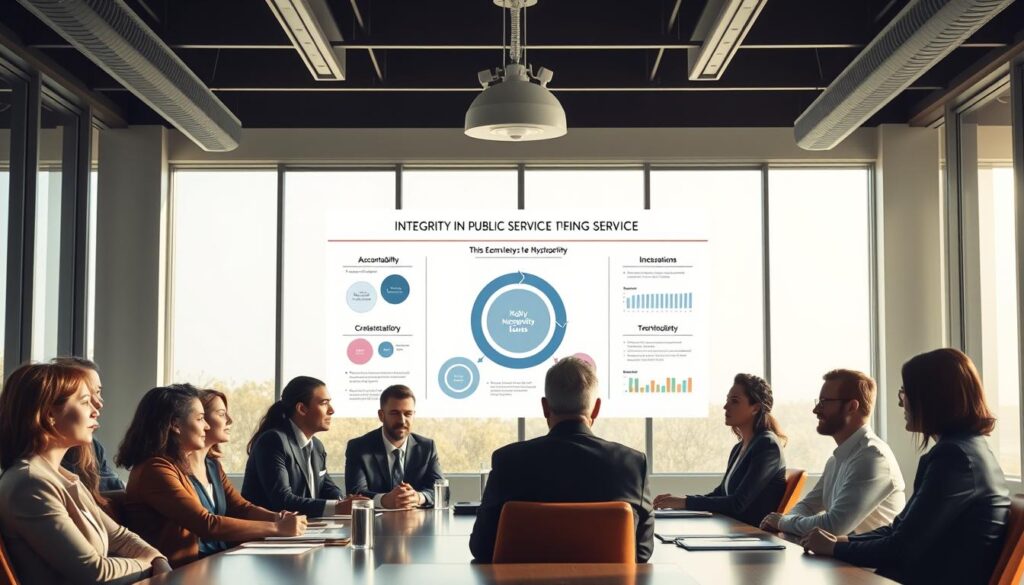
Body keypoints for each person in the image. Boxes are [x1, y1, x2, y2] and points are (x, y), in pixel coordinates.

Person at [801, 348, 1010, 585]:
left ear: (931, 397)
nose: (902, 402)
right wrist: (840, 541)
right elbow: (899, 530)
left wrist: (835, 549)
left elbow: (901, 548)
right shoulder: (968, 450)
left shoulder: (954, 458)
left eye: (905, 392)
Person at [469, 357, 654, 563]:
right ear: (596, 408)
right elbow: (641, 552)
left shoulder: (508, 461)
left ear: (545, 407)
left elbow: (482, 547)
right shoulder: (633, 464)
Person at [0, 363, 169, 584]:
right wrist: (149, 564)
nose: (95, 410)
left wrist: (158, 560)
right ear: (49, 414)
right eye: (84, 402)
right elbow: (95, 573)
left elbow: (119, 536)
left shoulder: (61, 478)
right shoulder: (30, 484)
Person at [116, 384, 306, 566]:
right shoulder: (155, 470)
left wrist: (279, 519)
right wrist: (278, 528)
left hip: (210, 562)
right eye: (200, 419)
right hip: (180, 572)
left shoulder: (200, 465)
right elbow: (206, 524)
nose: (206, 427)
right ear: (175, 424)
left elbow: (239, 508)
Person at [760, 369, 905, 536]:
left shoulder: (873, 457)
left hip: (866, 562)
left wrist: (783, 522)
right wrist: (785, 523)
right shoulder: (836, 459)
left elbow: (834, 526)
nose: (816, 410)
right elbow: (808, 506)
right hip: (841, 558)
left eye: (824, 402)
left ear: (852, 407)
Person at [654, 373, 786, 526]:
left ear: (755, 408)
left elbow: (737, 504)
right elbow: (720, 494)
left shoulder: (767, 445)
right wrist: (677, 501)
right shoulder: (739, 448)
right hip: (733, 529)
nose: (725, 406)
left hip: (751, 536)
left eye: (734, 401)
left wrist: (684, 503)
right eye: (727, 400)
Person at [242, 375, 363, 517]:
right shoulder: (273, 441)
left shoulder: (317, 446)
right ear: (302, 409)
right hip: (268, 533)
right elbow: (282, 500)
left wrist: (344, 501)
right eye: (324, 403)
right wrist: (337, 507)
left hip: (303, 530)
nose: (331, 410)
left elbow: (326, 487)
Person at [345, 384, 444, 509]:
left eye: (408, 414)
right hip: (375, 524)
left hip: (418, 523)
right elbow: (355, 493)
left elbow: (440, 490)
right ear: (381, 415)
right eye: (395, 413)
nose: (402, 420)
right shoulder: (359, 447)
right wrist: (384, 500)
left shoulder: (427, 447)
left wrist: (418, 497)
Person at [54, 357, 125, 492]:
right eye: (85, 398)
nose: (99, 403)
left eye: (97, 392)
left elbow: (111, 486)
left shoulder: (93, 446)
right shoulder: (35, 478)